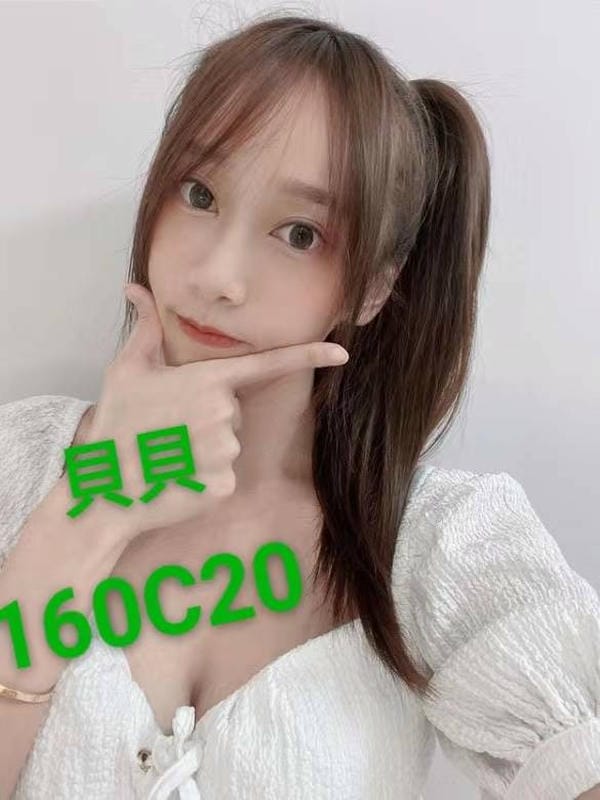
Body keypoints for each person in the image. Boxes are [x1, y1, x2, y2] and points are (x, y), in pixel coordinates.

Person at [1, 11, 599, 800]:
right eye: (200, 193)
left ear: (374, 289)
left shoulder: (435, 543)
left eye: (300, 234)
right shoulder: (20, 465)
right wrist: (88, 514)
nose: (218, 275)